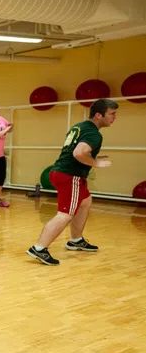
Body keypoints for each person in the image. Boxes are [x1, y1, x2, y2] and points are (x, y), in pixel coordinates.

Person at [27, 99, 118, 265]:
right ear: (99, 115)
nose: (114, 117)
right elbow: (78, 153)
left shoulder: (80, 126)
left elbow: (75, 152)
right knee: (65, 214)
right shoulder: (94, 134)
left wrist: (93, 158)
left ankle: (76, 240)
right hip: (71, 176)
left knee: (85, 201)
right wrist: (96, 163)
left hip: (60, 172)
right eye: (112, 114)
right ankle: (39, 248)